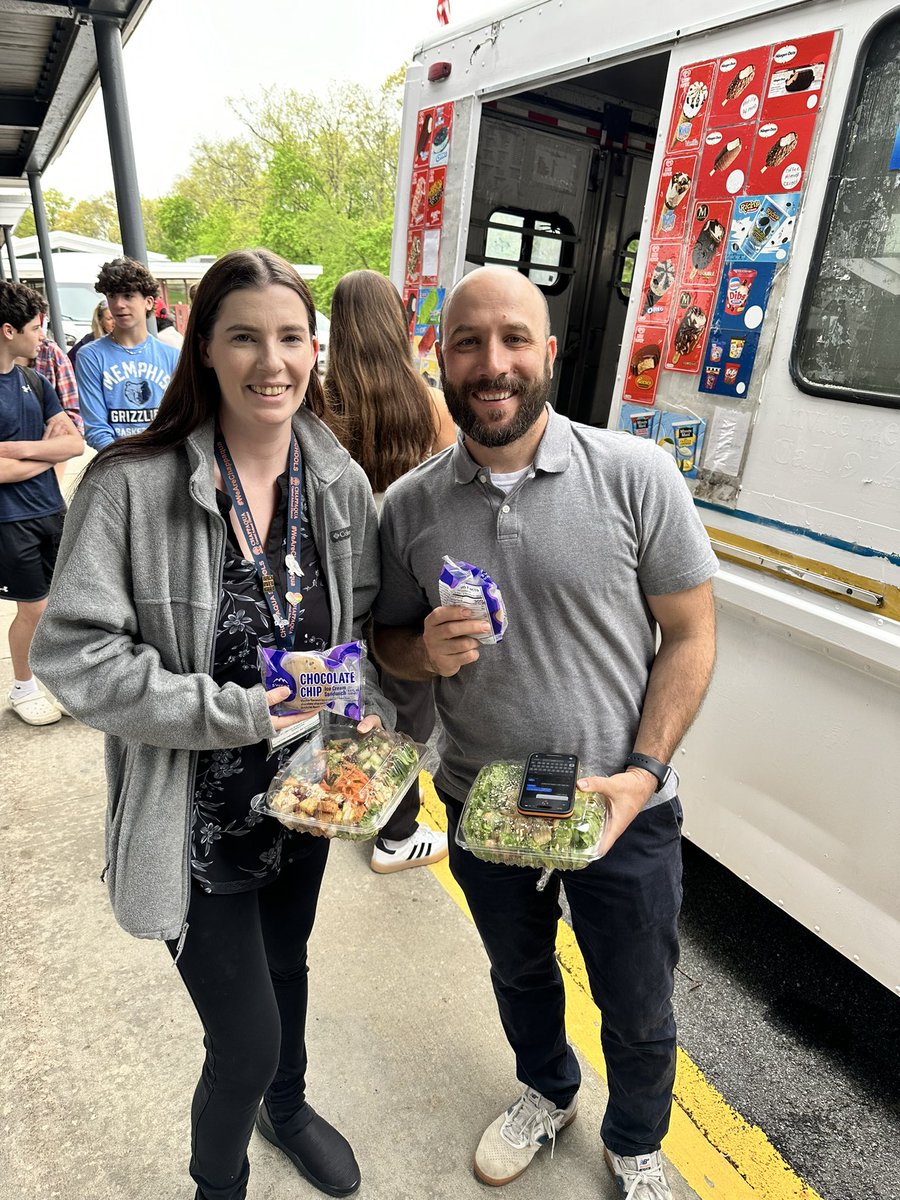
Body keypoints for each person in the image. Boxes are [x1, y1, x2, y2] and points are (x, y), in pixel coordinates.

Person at [31, 249, 393, 1200]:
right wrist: (231, 712)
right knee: (244, 1039)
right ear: (204, 349)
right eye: (244, 337)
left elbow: (349, 627)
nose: (271, 361)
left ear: (312, 350)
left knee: (290, 966)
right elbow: (71, 656)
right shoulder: (131, 485)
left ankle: (292, 1105)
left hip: (302, 802)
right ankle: (217, 1185)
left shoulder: (338, 482)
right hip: (192, 821)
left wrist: (365, 732)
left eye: (289, 338)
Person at [372, 266, 717, 1197]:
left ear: (549, 352)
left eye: (515, 339)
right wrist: (421, 651)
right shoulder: (407, 507)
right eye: (469, 342)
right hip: (481, 800)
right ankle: (546, 1089)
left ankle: (637, 1140)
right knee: (519, 973)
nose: (494, 364)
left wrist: (644, 773)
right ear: (439, 359)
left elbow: (690, 634)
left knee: (637, 1002)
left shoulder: (637, 475)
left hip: (619, 804)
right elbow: (389, 648)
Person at [323, 268, 456, 874]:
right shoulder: (426, 399)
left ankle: (360, 798)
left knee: (351, 689)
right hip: (405, 580)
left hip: (343, 576)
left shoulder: (321, 402)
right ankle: (397, 835)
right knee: (405, 699)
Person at [0, 281, 84, 726]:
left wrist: (15, 449)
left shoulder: (33, 380)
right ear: (9, 330)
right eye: (36, 328)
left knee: (61, 606)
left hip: (51, 512)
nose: (43, 338)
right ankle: (24, 687)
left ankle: (57, 684)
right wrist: (41, 450)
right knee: (34, 609)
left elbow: (73, 442)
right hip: (9, 521)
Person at [74, 256, 179, 450]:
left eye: (128, 296)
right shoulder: (90, 356)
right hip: (116, 463)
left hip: (163, 458)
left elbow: (178, 420)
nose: (119, 304)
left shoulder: (172, 356)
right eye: (112, 296)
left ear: (148, 302)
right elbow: (96, 429)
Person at [67, 300, 115, 369]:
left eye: (117, 317)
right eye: (110, 319)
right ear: (100, 321)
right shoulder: (86, 345)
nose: (115, 322)